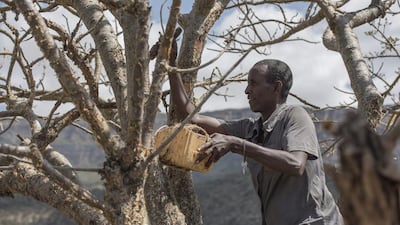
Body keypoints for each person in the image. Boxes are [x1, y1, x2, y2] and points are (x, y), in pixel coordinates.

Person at [168, 58, 343, 225]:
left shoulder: (295, 116)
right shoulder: (251, 129)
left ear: (276, 87)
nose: (246, 91)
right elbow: (193, 118)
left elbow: (296, 164)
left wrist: (236, 144)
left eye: (253, 83)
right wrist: (171, 67)